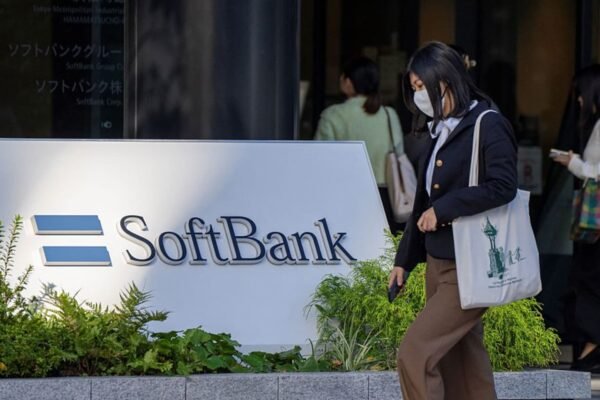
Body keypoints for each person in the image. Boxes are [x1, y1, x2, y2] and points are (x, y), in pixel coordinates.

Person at [388, 41, 517, 400]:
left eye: (421, 86)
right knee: (463, 366)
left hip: (469, 263)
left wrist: (446, 209)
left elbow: (504, 186)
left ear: (445, 81)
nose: (418, 95)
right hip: (438, 263)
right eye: (413, 88)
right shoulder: (438, 130)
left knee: (415, 354)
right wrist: (404, 261)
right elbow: (423, 203)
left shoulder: (488, 124)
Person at [314, 57, 405, 233]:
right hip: (386, 196)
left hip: (345, 195)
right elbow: (399, 152)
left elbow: (320, 159)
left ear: (348, 82)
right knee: (384, 247)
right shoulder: (388, 113)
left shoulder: (333, 115)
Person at [552, 64, 600, 373]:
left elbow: (596, 173)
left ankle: (592, 346)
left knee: (588, 281)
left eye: (580, 94)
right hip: (594, 223)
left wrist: (573, 163)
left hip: (596, 222)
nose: (579, 101)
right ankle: (589, 348)